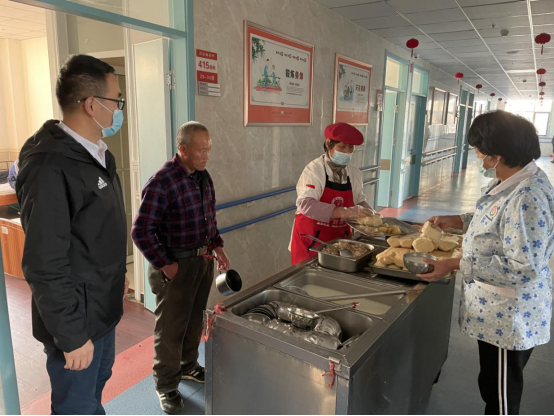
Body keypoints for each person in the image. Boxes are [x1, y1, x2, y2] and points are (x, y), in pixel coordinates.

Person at [419, 111, 553, 416]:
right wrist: (460, 220)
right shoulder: (514, 181)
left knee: (501, 396)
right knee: (492, 382)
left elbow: (523, 266)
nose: (477, 156)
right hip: (496, 313)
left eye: (479, 150)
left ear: (498, 154)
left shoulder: (527, 197)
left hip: (508, 317)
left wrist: (456, 264)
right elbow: (497, 219)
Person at [16, 54, 129, 415]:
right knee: (76, 406)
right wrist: (71, 336)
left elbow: (94, 234)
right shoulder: (50, 167)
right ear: (92, 105)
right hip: (76, 319)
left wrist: (117, 277)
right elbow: (43, 263)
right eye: (116, 100)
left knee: (95, 390)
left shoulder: (98, 155)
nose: (119, 109)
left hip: (102, 305)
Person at [131, 121, 230, 415]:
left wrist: (217, 246)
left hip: (202, 261)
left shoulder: (203, 178)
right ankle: (166, 385)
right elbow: (141, 231)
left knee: (194, 320)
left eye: (209, 149)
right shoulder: (162, 181)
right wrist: (166, 265)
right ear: (183, 149)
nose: (206, 156)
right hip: (175, 264)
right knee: (170, 329)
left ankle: (188, 366)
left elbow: (208, 219)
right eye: (201, 150)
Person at [290, 122, 375, 265]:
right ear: (328, 143)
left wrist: (370, 213)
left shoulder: (354, 173)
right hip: (311, 242)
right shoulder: (314, 170)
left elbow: (359, 200)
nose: (347, 152)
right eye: (342, 147)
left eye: (351, 147)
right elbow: (306, 204)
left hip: (341, 243)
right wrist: (344, 212)